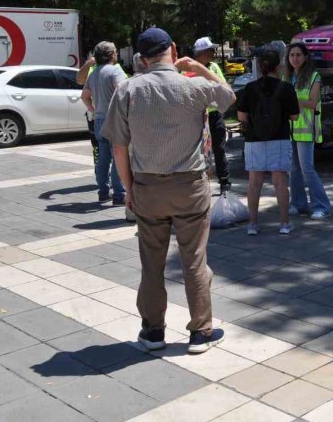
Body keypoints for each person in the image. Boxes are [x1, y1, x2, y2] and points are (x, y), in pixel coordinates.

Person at [103, 26, 234, 354]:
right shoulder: (193, 86)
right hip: (189, 185)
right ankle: (200, 332)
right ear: (173, 50)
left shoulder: (128, 90)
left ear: (142, 58)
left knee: (152, 262)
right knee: (194, 260)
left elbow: (119, 147)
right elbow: (229, 97)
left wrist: (129, 190)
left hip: (147, 185)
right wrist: (201, 68)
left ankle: (152, 331)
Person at [237, 49, 300, 235]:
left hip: (254, 139)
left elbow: (241, 116)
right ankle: (284, 224)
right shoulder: (286, 88)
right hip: (279, 138)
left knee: (254, 182)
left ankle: (252, 225)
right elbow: (295, 116)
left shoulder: (250, 88)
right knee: (280, 181)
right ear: (278, 66)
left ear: (258, 66)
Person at [282, 43, 332, 219]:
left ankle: (322, 206)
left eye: (298, 55)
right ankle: (299, 203)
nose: (294, 58)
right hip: (289, 130)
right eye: (291, 55)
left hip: (306, 130)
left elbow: (312, 103)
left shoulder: (314, 77)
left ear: (305, 57)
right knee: (293, 169)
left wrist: (292, 100)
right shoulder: (286, 77)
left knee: (307, 170)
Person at [81, 42, 127, 205]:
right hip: (115, 119)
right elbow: (122, 92)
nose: (116, 54)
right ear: (110, 54)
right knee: (119, 157)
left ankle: (103, 191)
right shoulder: (115, 71)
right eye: (115, 51)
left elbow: (84, 96)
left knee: (103, 157)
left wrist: (92, 109)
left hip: (99, 119)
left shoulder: (94, 74)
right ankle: (119, 194)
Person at [192, 37, 231, 193]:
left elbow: (222, 86)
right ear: (201, 53)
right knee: (198, 151)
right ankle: (199, 182)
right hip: (197, 116)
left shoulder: (214, 67)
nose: (213, 53)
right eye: (210, 50)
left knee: (219, 148)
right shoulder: (189, 68)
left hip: (215, 115)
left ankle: (225, 182)